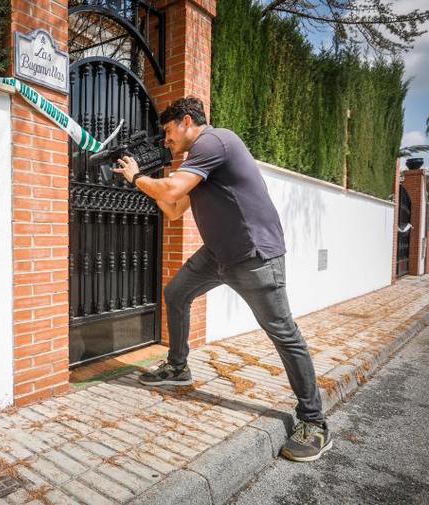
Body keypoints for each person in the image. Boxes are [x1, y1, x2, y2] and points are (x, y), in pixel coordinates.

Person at [113, 96, 331, 462]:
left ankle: (315, 423)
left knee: (283, 332)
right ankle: (178, 366)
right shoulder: (199, 162)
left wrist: (138, 175)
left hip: (254, 256)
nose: (165, 140)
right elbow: (173, 209)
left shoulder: (214, 142)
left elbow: (169, 192)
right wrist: (142, 183)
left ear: (186, 122)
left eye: (168, 131)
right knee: (176, 293)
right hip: (217, 255)